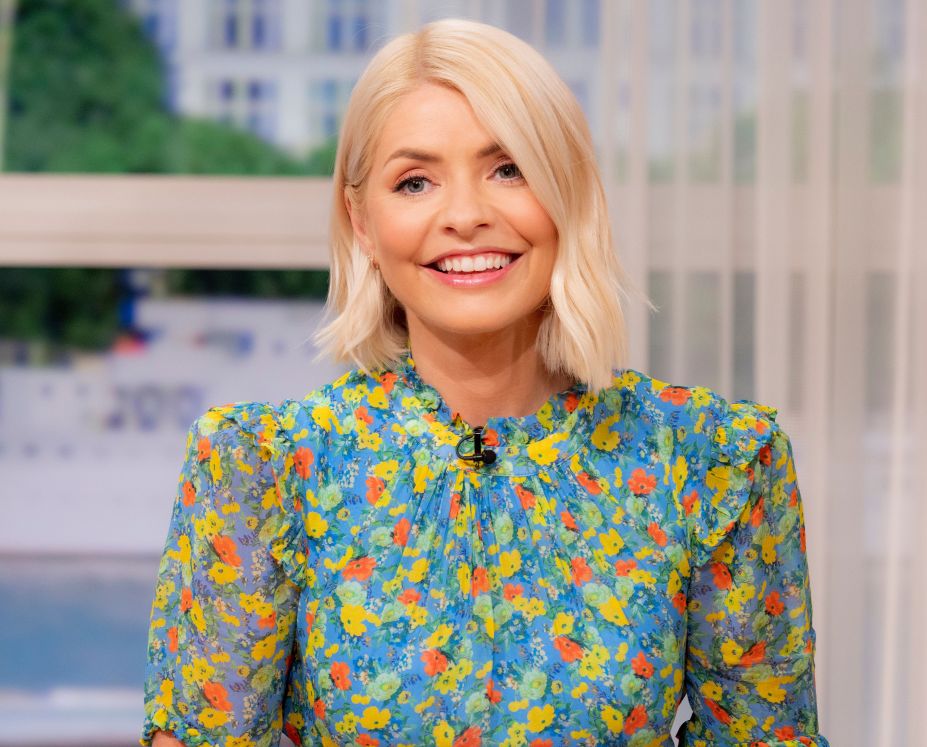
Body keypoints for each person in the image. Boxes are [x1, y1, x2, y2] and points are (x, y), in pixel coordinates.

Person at [141, 18, 829, 747]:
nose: (466, 216)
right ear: (363, 223)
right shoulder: (262, 466)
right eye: (414, 181)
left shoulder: (716, 460)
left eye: (509, 169)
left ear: (567, 193)